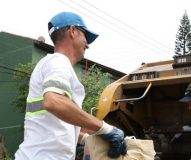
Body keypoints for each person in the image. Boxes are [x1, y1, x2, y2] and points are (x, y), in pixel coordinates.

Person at [15, 12, 127, 160]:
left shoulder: (50, 64)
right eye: (85, 36)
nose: (87, 44)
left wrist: (84, 139)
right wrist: (105, 129)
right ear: (73, 31)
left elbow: (56, 125)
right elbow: (53, 102)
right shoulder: (58, 62)